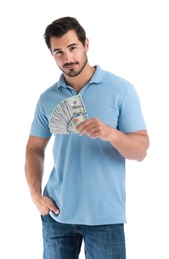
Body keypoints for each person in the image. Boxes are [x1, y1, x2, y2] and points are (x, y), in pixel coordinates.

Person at [25, 16, 149, 259]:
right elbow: (34, 148)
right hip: (57, 214)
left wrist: (111, 134)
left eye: (72, 48)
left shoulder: (121, 89)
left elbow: (141, 150)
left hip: (105, 217)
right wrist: (35, 195)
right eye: (58, 52)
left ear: (86, 45)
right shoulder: (47, 98)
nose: (68, 58)